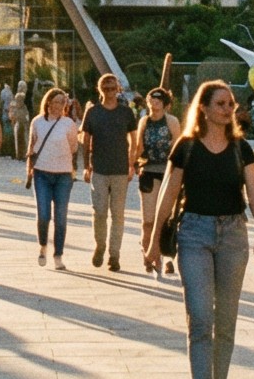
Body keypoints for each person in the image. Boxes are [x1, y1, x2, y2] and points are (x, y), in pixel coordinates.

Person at [140, 79, 254, 379]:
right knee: (200, 316)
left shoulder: (242, 149)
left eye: (231, 104)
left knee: (225, 318)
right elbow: (168, 192)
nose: (229, 109)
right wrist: (153, 243)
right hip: (194, 233)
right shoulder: (186, 146)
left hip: (233, 234)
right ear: (204, 108)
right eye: (221, 104)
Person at [80, 73, 139, 273]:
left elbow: (134, 139)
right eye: (106, 88)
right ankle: (100, 245)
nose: (110, 92)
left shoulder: (126, 113)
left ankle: (114, 254)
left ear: (118, 89)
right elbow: (86, 140)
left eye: (113, 88)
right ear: (100, 90)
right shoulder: (93, 112)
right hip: (99, 168)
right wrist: (86, 166)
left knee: (118, 214)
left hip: (120, 169)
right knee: (99, 211)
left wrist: (132, 163)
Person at [25, 86, 81, 270]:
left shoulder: (68, 124)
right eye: (56, 101)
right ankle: (42, 246)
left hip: (63, 174)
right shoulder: (37, 122)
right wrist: (29, 171)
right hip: (41, 173)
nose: (59, 105)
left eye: (63, 102)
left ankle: (58, 255)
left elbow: (73, 147)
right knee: (43, 214)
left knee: (61, 216)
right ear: (48, 102)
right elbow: (31, 148)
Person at [133, 87, 180, 275]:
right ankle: (150, 254)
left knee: (168, 218)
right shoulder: (144, 122)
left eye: (159, 100)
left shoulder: (172, 121)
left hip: (169, 172)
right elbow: (138, 147)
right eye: (152, 99)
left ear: (165, 103)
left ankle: (167, 256)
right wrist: (132, 165)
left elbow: (178, 145)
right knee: (148, 220)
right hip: (149, 170)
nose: (155, 103)